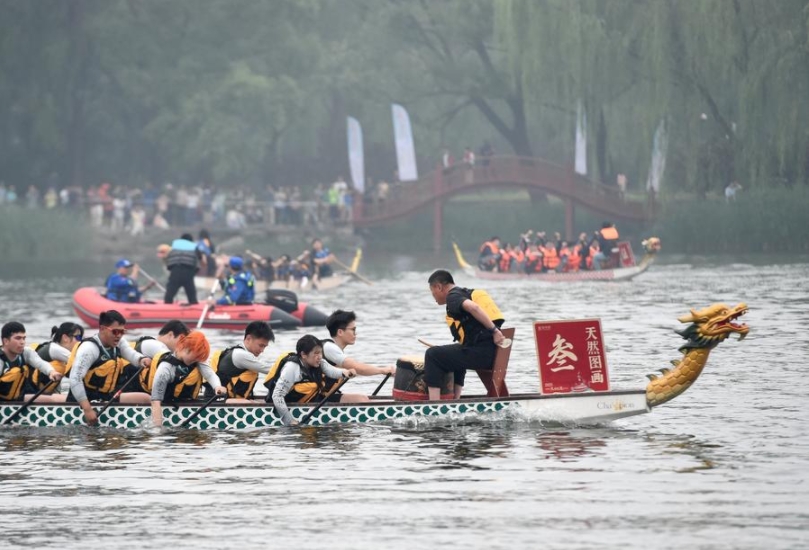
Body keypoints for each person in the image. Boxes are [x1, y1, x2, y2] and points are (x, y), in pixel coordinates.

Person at [425, 270, 505, 400]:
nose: (433, 297)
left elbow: (474, 308)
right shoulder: (465, 292)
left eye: (432, 292)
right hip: (490, 352)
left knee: (432, 355)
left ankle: (434, 404)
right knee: (456, 351)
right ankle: (455, 399)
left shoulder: (453, 297)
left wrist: (495, 331)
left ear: (438, 287)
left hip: (482, 355)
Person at [67, 310, 152, 425]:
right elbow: (75, 379)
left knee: (145, 399)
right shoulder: (89, 348)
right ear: (102, 329)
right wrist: (87, 409)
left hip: (105, 397)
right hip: (83, 400)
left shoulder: (118, 343)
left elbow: (130, 353)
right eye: (115, 331)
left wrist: (141, 359)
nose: (119, 336)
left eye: (122, 332)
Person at [264, 334, 366, 426]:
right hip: (286, 407)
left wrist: (346, 373)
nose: (319, 357)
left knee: (361, 398)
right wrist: (289, 420)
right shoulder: (292, 368)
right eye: (316, 353)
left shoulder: (320, 362)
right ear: (303, 355)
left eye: (321, 353)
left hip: (310, 401)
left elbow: (332, 371)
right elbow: (277, 396)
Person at [150, 331, 227, 427]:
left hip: (186, 402)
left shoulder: (196, 360)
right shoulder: (165, 369)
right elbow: (155, 401)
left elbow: (210, 375)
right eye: (195, 358)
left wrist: (217, 387)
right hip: (166, 405)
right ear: (185, 348)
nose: (197, 360)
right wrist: (158, 429)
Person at [209, 321, 274, 401]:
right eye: (261, 345)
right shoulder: (241, 355)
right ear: (248, 339)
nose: (262, 350)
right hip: (216, 402)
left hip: (226, 400)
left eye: (265, 347)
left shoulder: (240, 352)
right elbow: (271, 369)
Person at [1, 322, 63, 402]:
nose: (22, 342)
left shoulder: (26, 352)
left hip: (19, 398)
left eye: (24, 338)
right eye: (18, 338)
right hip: (3, 404)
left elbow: (41, 363)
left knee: (54, 399)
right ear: (6, 341)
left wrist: (52, 372)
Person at [322, 310, 395, 377]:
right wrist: (382, 370)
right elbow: (359, 368)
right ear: (340, 332)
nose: (355, 333)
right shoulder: (329, 347)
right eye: (353, 329)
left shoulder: (334, 350)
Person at [27, 322, 84, 395]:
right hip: (31, 393)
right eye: (78, 337)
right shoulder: (56, 349)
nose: (80, 341)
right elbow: (81, 363)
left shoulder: (55, 347)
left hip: (41, 392)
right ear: (65, 338)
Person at [164, 233, 201, 304]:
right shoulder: (194, 246)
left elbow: (168, 257)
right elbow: (200, 258)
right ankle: (194, 308)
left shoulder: (174, 245)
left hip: (175, 272)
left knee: (169, 296)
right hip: (188, 273)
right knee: (192, 297)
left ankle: (166, 310)